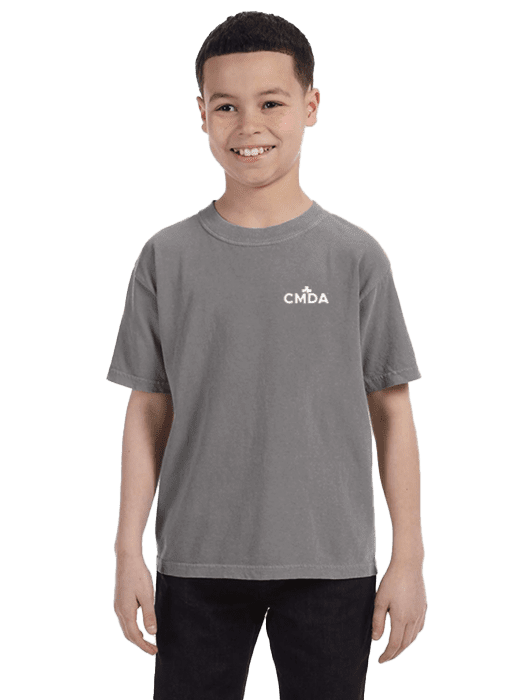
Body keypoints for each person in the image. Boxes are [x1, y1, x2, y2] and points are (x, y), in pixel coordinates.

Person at [106, 10, 428, 700]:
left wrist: (410, 559)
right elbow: (147, 412)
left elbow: (393, 413)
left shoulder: (355, 256)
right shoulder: (166, 256)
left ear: (311, 106)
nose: (248, 125)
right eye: (226, 106)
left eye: (271, 103)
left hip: (331, 563)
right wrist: (127, 551)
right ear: (201, 113)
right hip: (196, 560)